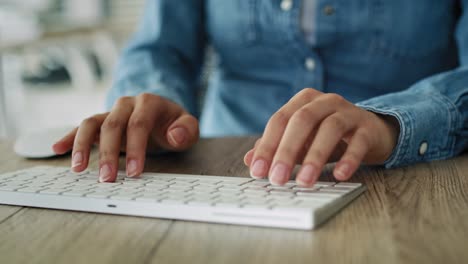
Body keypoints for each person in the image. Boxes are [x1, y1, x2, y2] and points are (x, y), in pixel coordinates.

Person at [53, 1, 468, 187]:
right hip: (218, 172)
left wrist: (394, 121)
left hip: (407, 175)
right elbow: (160, 49)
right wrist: (153, 99)